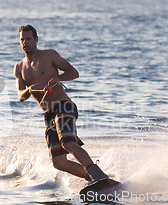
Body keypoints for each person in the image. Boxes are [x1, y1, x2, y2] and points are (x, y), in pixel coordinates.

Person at [14, 24, 108, 184]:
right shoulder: (19, 68)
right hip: (48, 115)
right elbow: (20, 96)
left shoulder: (49, 55)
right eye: (22, 39)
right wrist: (29, 90)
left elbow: (74, 73)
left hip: (63, 105)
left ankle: (100, 177)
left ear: (36, 40)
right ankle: (94, 178)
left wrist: (59, 78)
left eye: (28, 39)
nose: (25, 42)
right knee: (58, 163)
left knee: (67, 142)